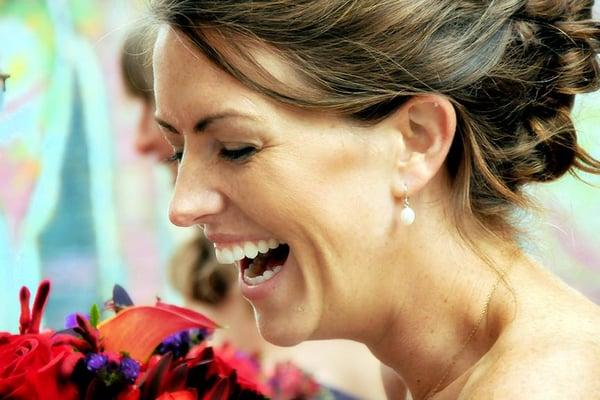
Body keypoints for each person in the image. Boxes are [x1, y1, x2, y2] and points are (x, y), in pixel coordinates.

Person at [148, 1, 600, 399]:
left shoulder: (538, 386)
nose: (182, 206)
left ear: (416, 141)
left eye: (235, 148)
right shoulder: (409, 372)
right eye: (179, 151)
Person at [120, 26, 387, 399]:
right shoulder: (209, 281)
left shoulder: (353, 299)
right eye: (178, 146)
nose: (141, 139)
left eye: (234, 148)